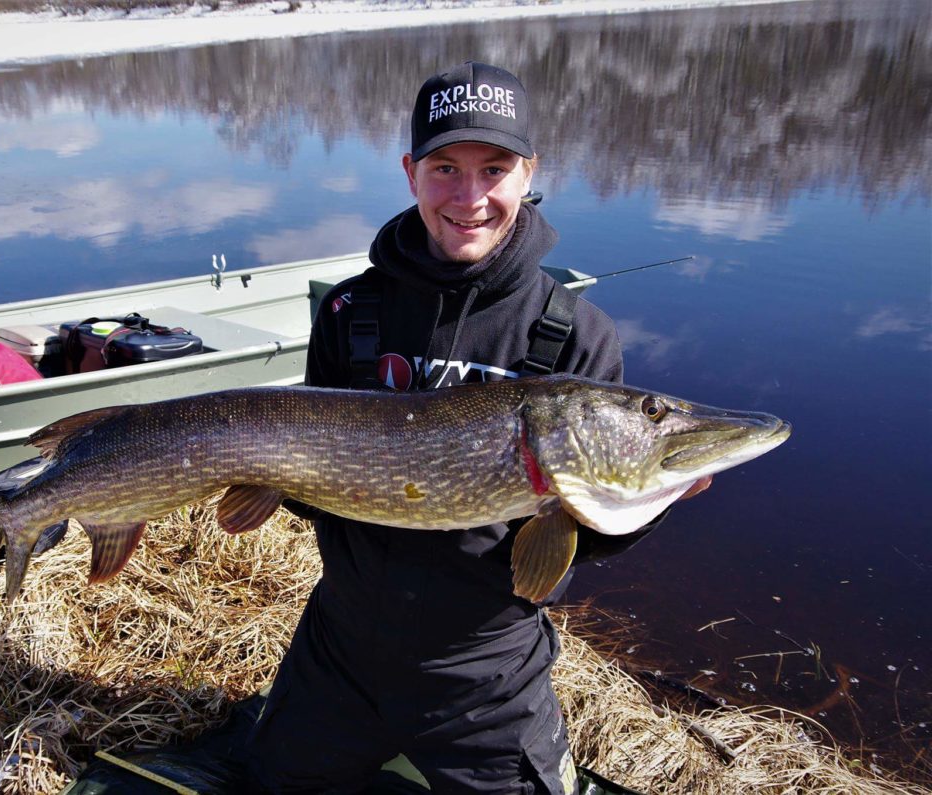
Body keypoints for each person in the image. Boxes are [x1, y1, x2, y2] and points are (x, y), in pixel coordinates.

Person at [245, 61, 705, 794]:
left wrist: (645, 501)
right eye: (444, 168)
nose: (469, 197)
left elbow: (574, 539)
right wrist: (266, 474)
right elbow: (314, 485)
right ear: (410, 173)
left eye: (494, 168)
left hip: (483, 673)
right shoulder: (349, 311)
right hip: (339, 648)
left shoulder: (576, 338)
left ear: (529, 172)